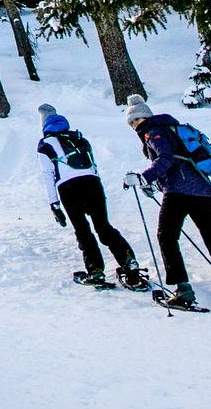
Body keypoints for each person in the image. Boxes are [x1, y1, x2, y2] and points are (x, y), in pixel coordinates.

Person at [124, 94, 211, 311]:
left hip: (179, 193)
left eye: (136, 120)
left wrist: (144, 178)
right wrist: (154, 184)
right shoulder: (169, 128)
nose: (135, 125)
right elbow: (176, 162)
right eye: (131, 122)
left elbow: (166, 159)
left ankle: (183, 290)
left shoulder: (153, 132)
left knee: (167, 236)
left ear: (145, 117)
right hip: (203, 191)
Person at [35, 103, 146, 290]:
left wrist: (54, 204)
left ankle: (95, 270)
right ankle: (129, 261)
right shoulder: (79, 138)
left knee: (83, 230)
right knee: (104, 227)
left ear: (44, 124)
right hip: (92, 183)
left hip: (68, 187)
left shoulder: (45, 143)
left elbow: (48, 174)